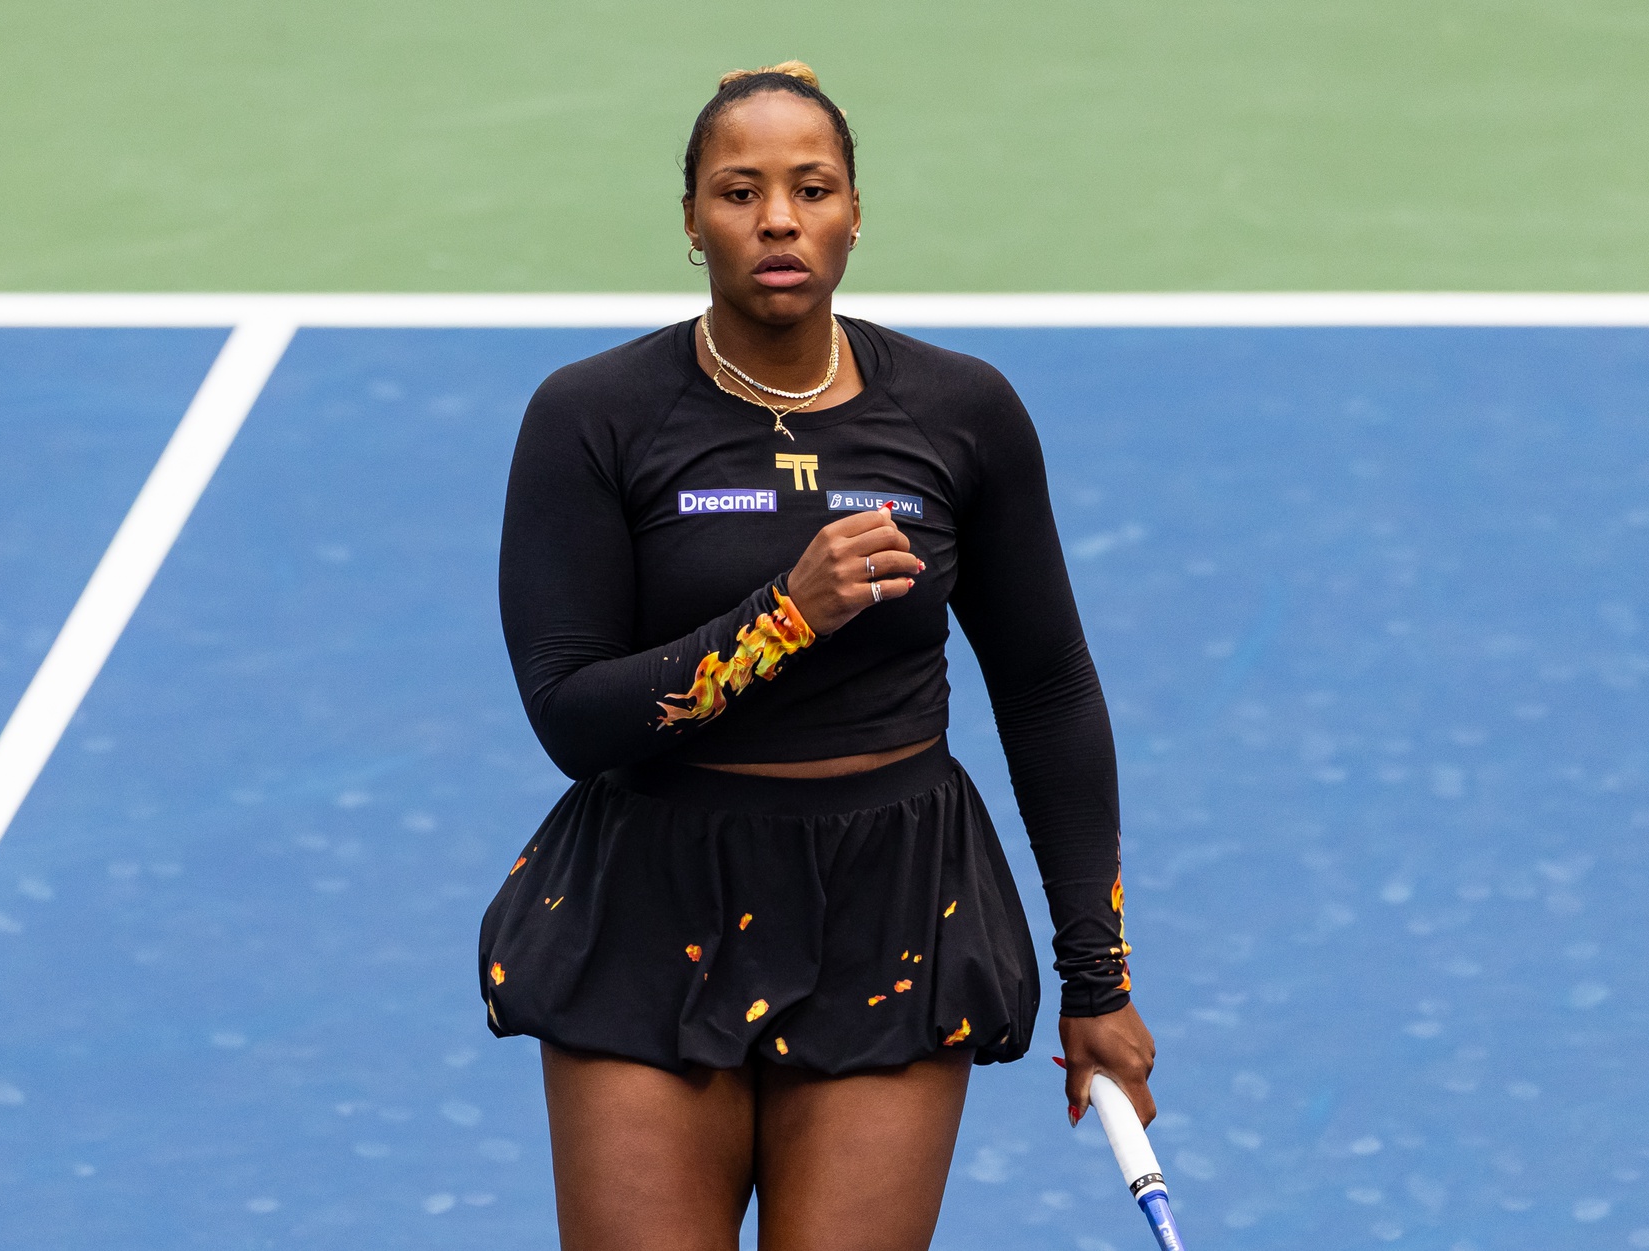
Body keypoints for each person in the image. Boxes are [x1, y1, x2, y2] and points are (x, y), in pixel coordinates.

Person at [480, 61, 1156, 1251]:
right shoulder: (592, 415)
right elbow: (570, 716)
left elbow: (1046, 690)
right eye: (739, 191)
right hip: (653, 906)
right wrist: (783, 615)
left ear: (854, 209)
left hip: (892, 905)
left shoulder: (962, 414)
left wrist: (1096, 982)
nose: (778, 219)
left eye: (811, 187)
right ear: (689, 217)